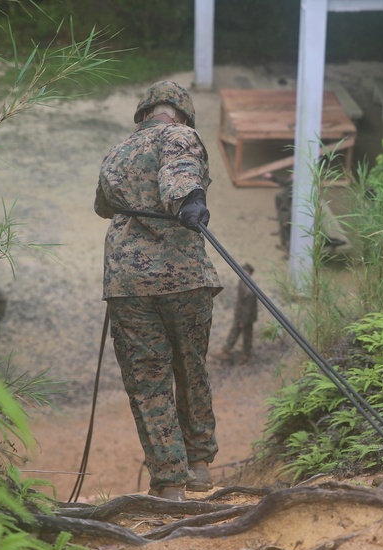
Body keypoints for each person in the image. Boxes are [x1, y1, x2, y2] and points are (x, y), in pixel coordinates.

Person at [94, 81, 222, 500]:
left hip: (128, 283)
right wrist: (189, 201)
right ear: (182, 115)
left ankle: (170, 484)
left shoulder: (116, 152)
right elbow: (179, 176)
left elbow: (102, 207)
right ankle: (199, 466)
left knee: (148, 380)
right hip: (183, 278)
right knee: (190, 366)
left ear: (144, 114)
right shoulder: (180, 134)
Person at [217, 263, 259, 364]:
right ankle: (226, 350)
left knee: (247, 336)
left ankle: (246, 355)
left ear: (249, 273)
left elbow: (248, 307)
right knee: (234, 331)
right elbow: (240, 302)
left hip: (247, 317)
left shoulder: (249, 288)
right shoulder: (242, 282)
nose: (242, 272)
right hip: (240, 314)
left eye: (245, 271)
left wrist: (242, 321)